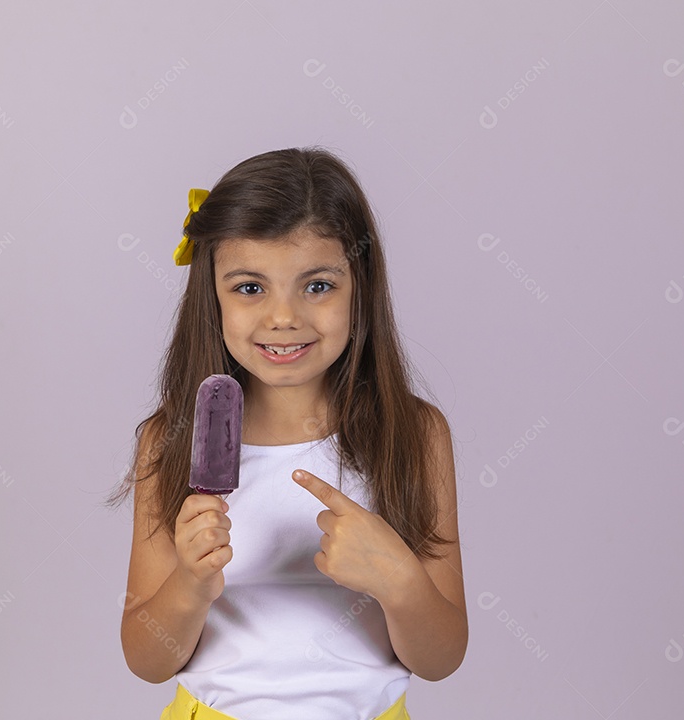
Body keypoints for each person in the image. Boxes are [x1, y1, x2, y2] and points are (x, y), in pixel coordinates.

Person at [108, 147, 467, 720]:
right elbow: (146, 660)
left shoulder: (415, 435)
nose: (284, 317)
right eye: (250, 288)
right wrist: (190, 584)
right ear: (212, 295)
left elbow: (441, 658)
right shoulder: (171, 440)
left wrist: (399, 580)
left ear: (360, 287)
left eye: (318, 285)